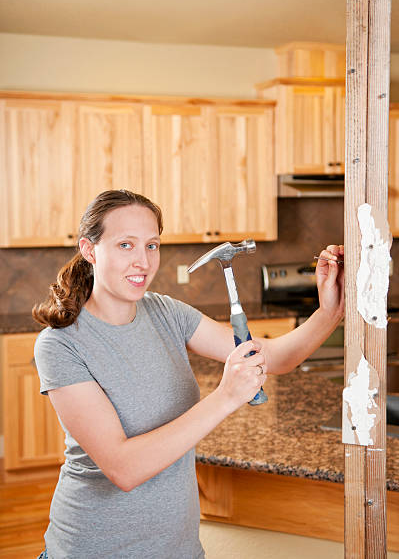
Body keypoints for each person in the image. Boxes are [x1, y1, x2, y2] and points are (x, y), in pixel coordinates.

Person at [33, 189, 344, 559]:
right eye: (125, 245)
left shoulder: (166, 313)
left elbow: (272, 357)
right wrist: (226, 396)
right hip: (95, 549)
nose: (143, 262)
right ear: (89, 249)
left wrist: (328, 312)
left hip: (178, 549)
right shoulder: (60, 345)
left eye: (152, 245)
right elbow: (124, 469)